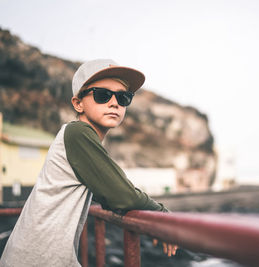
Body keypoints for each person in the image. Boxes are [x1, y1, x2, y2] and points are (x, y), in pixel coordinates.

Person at [0, 59, 177, 266]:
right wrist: (163, 215)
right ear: (78, 103)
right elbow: (121, 195)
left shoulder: (78, 136)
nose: (114, 103)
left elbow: (112, 193)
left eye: (123, 97)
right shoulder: (77, 133)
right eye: (103, 95)